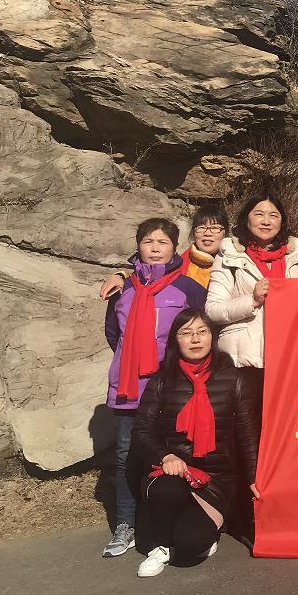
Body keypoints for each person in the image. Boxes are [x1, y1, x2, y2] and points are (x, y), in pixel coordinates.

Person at [103, 218, 208, 559]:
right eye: (148, 241)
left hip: (171, 388)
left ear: (175, 248)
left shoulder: (188, 288)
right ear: (138, 246)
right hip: (128, 388)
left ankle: (170, 521)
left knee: (174, 454)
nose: (155, 248)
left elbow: (201, 333)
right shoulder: (123, 289)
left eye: (163, 242)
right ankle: (126, 524)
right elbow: (113, 334)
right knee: (125, 456)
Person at [131, 309, 261, 577]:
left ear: (212, 337)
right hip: (174, 472)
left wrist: (254, 477)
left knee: (190, 545)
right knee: (167, 492)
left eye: (202, 332)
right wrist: (165, 456)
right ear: (175, 340)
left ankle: (206, 530)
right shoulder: (161, 381)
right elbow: (141, 433)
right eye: (186, 333)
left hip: (217, 478)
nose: (195, 339)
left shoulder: (234, 379)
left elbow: (248, 435)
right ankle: (161, 546)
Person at [206, 192, 298, 370]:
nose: (266, 221)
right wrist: (252, 300)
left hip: (290, 356)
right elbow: (212, 311)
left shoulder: (296, 256)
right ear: (246, 219)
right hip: (246, 360)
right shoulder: (230, 254)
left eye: (273, 215)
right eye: (259, 214)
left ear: (282, 222)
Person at [100, 204, 228, 299]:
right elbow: (150, 277)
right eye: (201, 227)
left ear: (225, 233)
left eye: (215, 228)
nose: (207, 233)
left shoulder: (235, 262)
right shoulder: (180, 263)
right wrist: (121, 276)